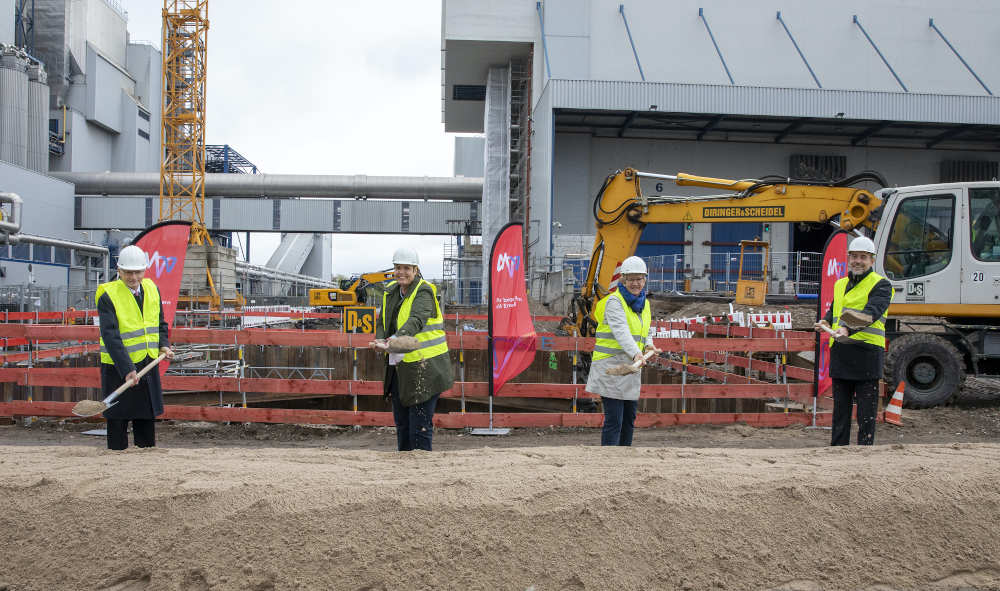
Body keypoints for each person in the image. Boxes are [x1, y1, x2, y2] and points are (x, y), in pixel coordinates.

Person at [370, 247, 453, 451]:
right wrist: (380, 338)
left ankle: (422, 473)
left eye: (407, 268)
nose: (402, 272)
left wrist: (394, 340)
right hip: (401, 367)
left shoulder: (424, 290)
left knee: (419, 428)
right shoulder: (390, 291)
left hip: (426, 368)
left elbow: (416, 320)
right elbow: (383, 321)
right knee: (403, 424)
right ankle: (405, 470)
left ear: (416, 270)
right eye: (398, 268)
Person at [814, 235, 892, 446]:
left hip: (866, 353)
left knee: (867, 411)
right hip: (842, 352)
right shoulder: (840, 284)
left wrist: (847, 328)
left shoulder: (882, 285)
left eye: (863, 257)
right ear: (848, 258)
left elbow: (871, 313)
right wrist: (825, 320)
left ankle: (864, 451)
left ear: (871, 260)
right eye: (854, 256)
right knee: (840, 408)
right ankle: (838, 449)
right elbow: (834, 310)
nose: (858, 261)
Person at [96, 244, 174, 450]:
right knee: (117, 416)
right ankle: (116, 453)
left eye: (137, 272)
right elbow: (110, 336)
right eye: (128, 272)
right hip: (117, 366)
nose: (133, 277)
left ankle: (145, 452)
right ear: (119, 270)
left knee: (145, 414)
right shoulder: (107, 295)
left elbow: (160, 323)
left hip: (147, 362)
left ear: (144, 270)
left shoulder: (152, 289)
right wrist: (127, 369)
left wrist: (164, 345)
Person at [585, 256, 660, 446]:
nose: (636, 283)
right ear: (623, 280)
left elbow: (645, 329)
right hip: (611, 368)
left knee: (629, 419)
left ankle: (625, 458)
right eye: (631, 279)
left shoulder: (644, 303)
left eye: (640, 279)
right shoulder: (615, 302)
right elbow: (621, 332)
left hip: (631, 367)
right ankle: (610, 460)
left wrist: (649, 344)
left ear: (645, 280)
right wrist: (637, 353)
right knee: (614, 420)